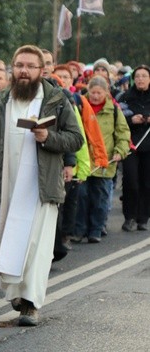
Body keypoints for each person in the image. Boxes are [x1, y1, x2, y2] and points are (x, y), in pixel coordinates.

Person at [0, 45, 83, 327]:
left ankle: (30, 303)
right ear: (12, 67)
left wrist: (48, 137)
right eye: (19, 65)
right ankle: (15, 294)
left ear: (40, 70)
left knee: (36, 246)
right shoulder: (0, 100)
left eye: (30, 66)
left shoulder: (56, 99)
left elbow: (75, 139)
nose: (23, 71)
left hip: (40, 188)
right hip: (3, 184)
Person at [72, 76, 130, 243]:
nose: (96, 96)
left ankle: (96, 229)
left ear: (106, 92)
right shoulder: (81, 107)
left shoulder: (113, 110)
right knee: (81, 197)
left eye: (99, 93)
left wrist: (120, 150)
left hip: (104, 162)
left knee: (100, 198)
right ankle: (79, 229)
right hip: (84, 162)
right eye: (93, 92)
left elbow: (123, 133)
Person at [119, 65, 150, 231]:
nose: (140, 79)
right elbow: (119, 118)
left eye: (144, 76)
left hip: (148, 145)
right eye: (137, 76)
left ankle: (143, 218)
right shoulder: (125, 97)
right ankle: (129, 217)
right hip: (131, 145)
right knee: (131, 181)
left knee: (147, 182)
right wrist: (132, 120)